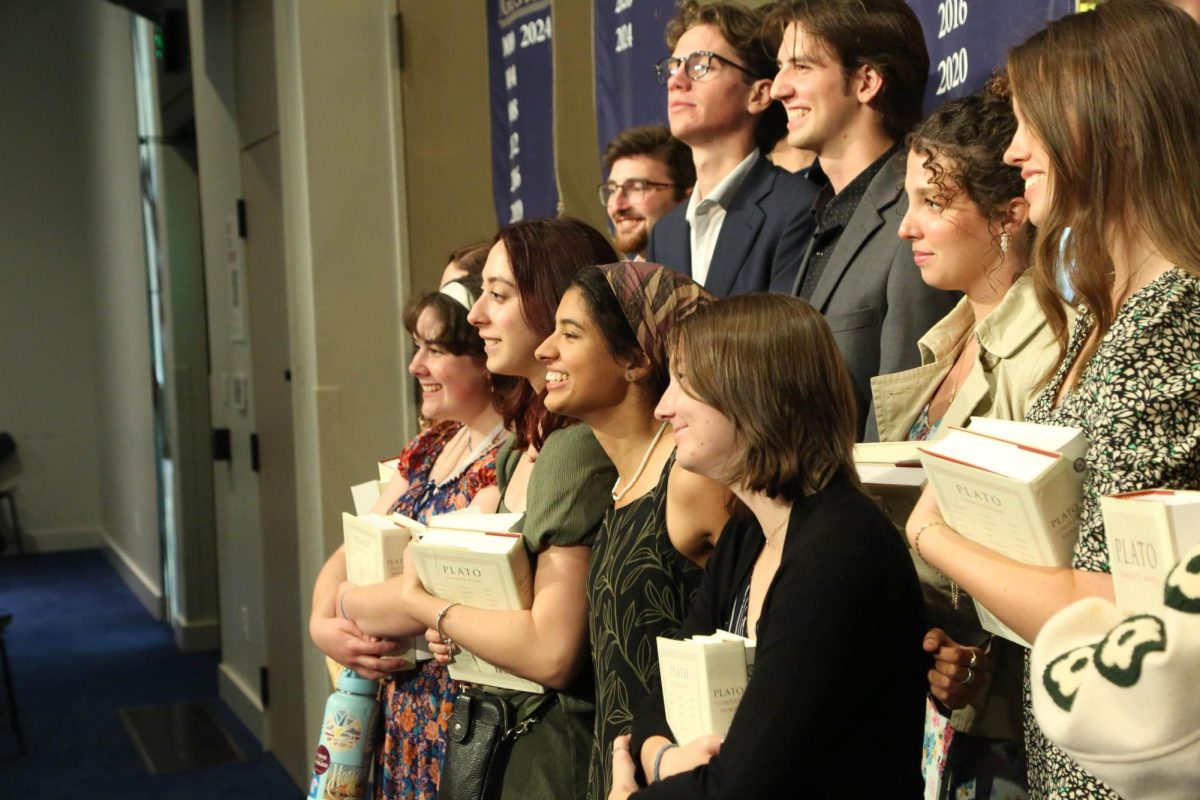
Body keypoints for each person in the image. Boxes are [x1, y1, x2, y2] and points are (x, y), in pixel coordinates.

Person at [905, 2, 1200, 797]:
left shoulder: (1175, 314)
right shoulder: (1103, 318)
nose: (1014, 151)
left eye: (1033, 125)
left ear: (1109, 127)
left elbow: (1113, 609)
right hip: (1075, 752)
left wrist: (934, 532)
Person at [610, 295, 927, 798]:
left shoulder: (841, 550)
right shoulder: (749, 531)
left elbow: (745, 785)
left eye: (684, 382)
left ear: (752, 393)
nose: (663, 406)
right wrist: (666, 758)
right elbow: (662, 697)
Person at [871, 89, 1068, 800]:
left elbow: (1062, 560)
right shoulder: (946, 342)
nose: (906, 228)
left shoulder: (1051, 351)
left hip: (1017, 735)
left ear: (1009, 213)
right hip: (935, 715)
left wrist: (980, 652)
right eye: (908, 201)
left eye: (933, 202)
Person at [395, 217, 620, 799]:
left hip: (553, 750)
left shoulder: (574, 447)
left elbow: (551, 653)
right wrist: (463, 627)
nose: (475, 315)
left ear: (553, 306)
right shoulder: (524, 444)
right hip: (506, 736)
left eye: (498, 295)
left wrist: (431, 608)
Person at [309, 274, 508, 800]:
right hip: (400, 707)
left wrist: (345, 603)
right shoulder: (434, 442)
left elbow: (424, 595)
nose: (416, 366)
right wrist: (320, 623)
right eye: (417, 348)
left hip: (453, 710)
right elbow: (355, 546)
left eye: (436, 350)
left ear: (485, 357)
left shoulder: (505, 462)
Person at [534, 261, 729, 798]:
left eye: (570, 334)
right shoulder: (623, 483)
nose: (543, 349)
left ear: (637, 359)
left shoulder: (689, 480)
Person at [767, 0, 958, 439]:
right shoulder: (823, 212)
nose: (779, 88)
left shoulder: (913, 222)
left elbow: (898, 431)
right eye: (780, 67)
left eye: (801, 66)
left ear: (867, 81)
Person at [646, 1, 817, 297]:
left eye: (700, 65)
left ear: (759, 94)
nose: (676, 81)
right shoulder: (665, 233)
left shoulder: (798, 209)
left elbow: (788, 341)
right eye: (673, 67)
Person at [600, 126, 695, 260]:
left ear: (687, 198)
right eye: (611, 190)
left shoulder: (709, 274)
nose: (616, 206)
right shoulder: (618, 280)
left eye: (637, 188)